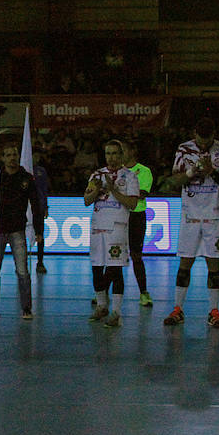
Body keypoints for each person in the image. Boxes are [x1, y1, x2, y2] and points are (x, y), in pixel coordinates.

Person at [163, 117, 219, 329]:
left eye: (208, 140)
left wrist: (212, 172)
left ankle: (214, 311)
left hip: (214, 216)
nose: (203, 145)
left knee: (213, 265)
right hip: (190, 216)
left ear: (214, 135)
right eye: (200, 140)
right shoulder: (184, 149)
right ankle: (178, 309)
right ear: (194, 133)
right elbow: (172, 181)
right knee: (185, 264)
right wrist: (192, 172)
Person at [83, 139, 141, 327]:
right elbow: (86, 200)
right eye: (108, 153)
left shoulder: (130, 177)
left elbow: (132, 204)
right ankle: (101, 306)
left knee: (115, 269)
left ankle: (116, 311)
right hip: (98, 227)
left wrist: (114, 190)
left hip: (117, 228)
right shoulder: (97, 175)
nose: (111, 157)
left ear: (122, 155)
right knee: (97, 268)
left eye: (115, 153)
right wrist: (98, 189)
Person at [0, 142, 42, 319]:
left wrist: (39, 230)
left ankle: (27, 308)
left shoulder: (26, 178)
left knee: (22, 271)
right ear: (3, 158)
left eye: (14, 154)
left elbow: (36, 205)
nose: (12, 158)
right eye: (8, 155)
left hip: (17, 230)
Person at [121, 138, 154, 307]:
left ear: (132, 151)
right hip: (119, 216)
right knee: (114, 256)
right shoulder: (116, 172)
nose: (120, 155)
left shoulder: (144, 171)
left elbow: (141, 194)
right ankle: (102, 293)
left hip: (136, 216)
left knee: (136, 256)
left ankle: (143, 293)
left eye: (123, 151)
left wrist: (118, 194)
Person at [32, 158, 50, 274]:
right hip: (24, 207)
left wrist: (46, 206)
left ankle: (40, 262)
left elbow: (44, 189)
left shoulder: (41, 171)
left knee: (39, 235)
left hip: (38, 206)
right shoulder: (21, 168)